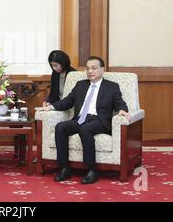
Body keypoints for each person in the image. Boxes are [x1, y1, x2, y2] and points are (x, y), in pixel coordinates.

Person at [45, 56, 130, 184]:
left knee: (85, 129)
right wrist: (51, 106)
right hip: (80, 118)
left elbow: (119, 103)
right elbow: (68, 101)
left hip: (99, 121)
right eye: (88, 68)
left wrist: (122, 110)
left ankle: (92, 170)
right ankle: (64, 167)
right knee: (60, 127)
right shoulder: (80, 85)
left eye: (94, 68)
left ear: (102, 69)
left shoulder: (111, 87)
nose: (90, 71)